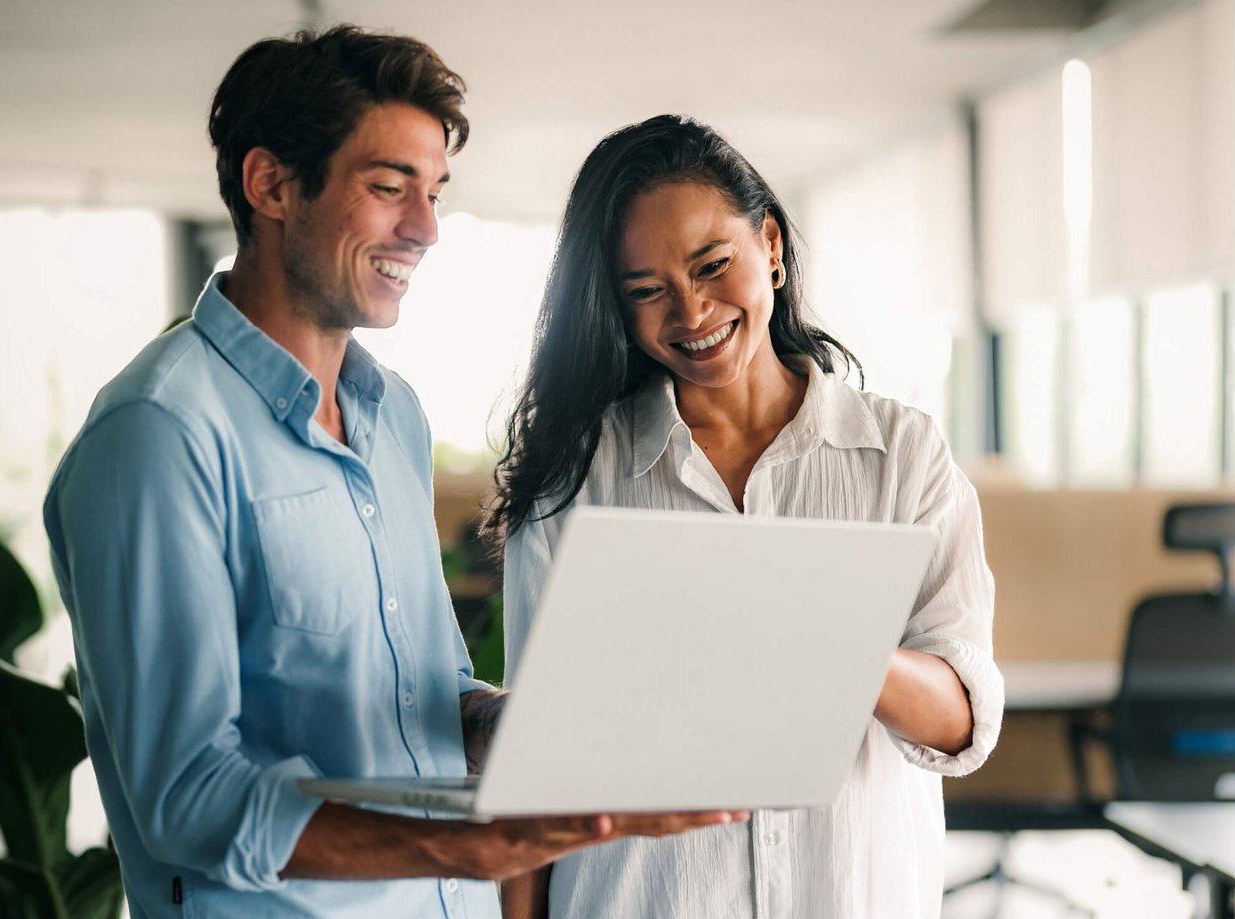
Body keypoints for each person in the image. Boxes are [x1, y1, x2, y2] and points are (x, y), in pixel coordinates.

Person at [43, 27, 740, 919]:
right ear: (271, 186)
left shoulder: (392, 417)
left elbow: (429, 695)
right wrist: (466, 842)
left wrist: (533, 725)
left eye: (436, 191)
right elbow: (188, 796)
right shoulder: (158, 434)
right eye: (388, 188)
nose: (426, 228)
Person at [486, 115, 1004, 919]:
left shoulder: (899, 453)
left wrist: (821, 626)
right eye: (647, 291)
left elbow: (961, 719)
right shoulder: (578, 474)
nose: (690, 312)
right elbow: (535, 773)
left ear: (769, 244)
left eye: (711, 264)